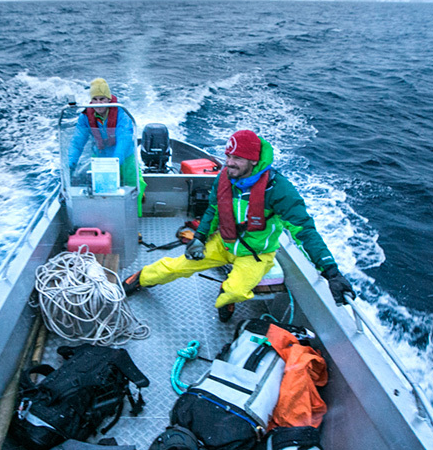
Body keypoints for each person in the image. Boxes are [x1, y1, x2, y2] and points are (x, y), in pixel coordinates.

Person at [122, 129, 354, 322]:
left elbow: (305, 231)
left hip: (255, 254)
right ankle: (141, 278)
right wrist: (199, 238)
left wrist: (331, 273)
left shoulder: (279, 190)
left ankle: (227, 295)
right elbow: (213, 209)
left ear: (253, 161)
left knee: (235, 290)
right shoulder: (225, 177)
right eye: (227, 156)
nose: (229, 163)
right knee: (176, 266)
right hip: (223, 243)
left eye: (237, 159)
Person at [68, 78, 138, 188]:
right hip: (100, 157)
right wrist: (70, 164)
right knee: (96, 188)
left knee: (134, 188)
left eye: (102, 99)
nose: (98, 103)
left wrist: (114, 163)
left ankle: (137, 205)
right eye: (95, 99)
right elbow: (77, 143)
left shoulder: (122, 115)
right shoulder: (85, 117)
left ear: (109, 99)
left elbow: (124, 139)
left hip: (125, 157)